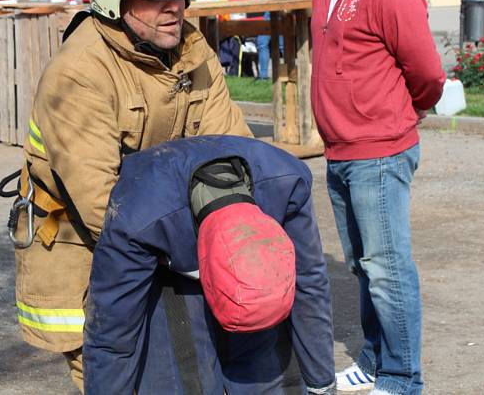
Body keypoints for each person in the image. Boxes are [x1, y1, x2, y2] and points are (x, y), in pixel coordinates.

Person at [6, 0, 252, 393]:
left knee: (177, 370)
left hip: (163, 243)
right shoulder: (78, 73)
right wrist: (197, 252)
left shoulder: (192, 53)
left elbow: (235, 151)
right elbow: (101, 203)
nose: (174, 8)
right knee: (113, 377)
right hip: (86, 254)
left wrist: (237, 230)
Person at [311, 0, 445, 395]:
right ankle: (373, 362)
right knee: (365, 271)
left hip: (380, 153)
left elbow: (427, 71)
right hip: (340, 150)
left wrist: (405, 111)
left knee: (388, 270)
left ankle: (402, 377)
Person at [83, 135, 335, 394]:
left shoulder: (288, 182)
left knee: (272, 377)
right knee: (184, 377)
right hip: (165, 264)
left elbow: (310, 283)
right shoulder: (136, 220)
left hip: (227, 245)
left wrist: (322, 383)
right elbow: (112, 335)